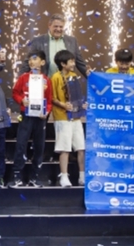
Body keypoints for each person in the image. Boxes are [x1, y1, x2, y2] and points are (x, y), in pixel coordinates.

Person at [8, 50, 53, 188]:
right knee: (21, 144)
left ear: (42, 62)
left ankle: (35, 177)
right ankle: (17, 177)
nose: (31, 62)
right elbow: (15, 93)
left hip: (40, 118)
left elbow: (49, 100)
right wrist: (22, 100)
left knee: (39, 147)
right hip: (26, 116)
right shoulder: (23, 78)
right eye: (30, 60)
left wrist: (46, 112)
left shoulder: (46, 80)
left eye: (35, 59)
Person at [51, 50, 87, 187]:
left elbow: (77, 96)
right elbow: (52, 97)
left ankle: (82, 176)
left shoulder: (74, 76)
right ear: (63, 64)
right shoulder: (55, 77)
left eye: (73, 61)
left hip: (76, 117)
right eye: (71, 61)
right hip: (62, 117)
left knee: (81, 148)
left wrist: (82, 105)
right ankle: (64, 176)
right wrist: (63, 105)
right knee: (65, 148)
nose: (73, 64)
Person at [19, 13, 89, 78]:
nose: (58, 29)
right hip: (45, 83)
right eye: (56, 26)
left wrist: (92, 77)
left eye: (61, 27)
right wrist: (19, 80)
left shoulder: (72, 41)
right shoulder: (38, 41)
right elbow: (27, 63)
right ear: (49, 25)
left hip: (66, 84)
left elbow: (80, 63)